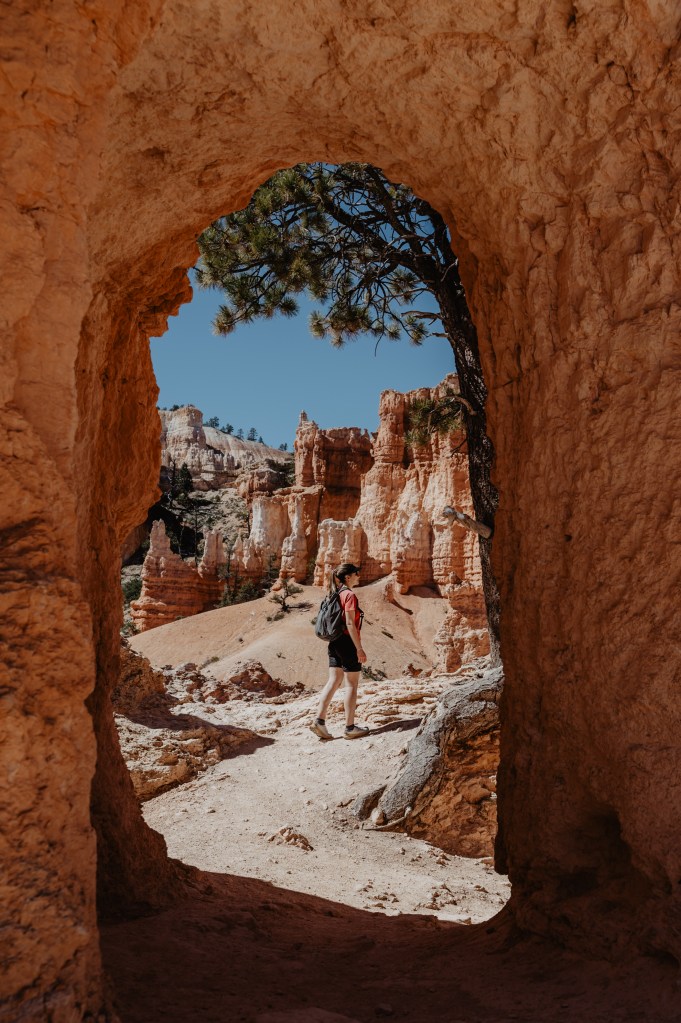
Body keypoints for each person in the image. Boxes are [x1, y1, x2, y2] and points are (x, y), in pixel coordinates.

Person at [310, 563, 370, 740]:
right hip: (347, 641)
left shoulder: (333, 594)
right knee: (351, 683)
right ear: (348, 577)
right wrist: (359, 648)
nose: (359, 576)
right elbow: (350, 623)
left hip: (334, 642)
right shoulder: (349, 595)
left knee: (334, 680)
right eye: (356, 573)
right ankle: (350, 728)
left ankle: (319, 721)